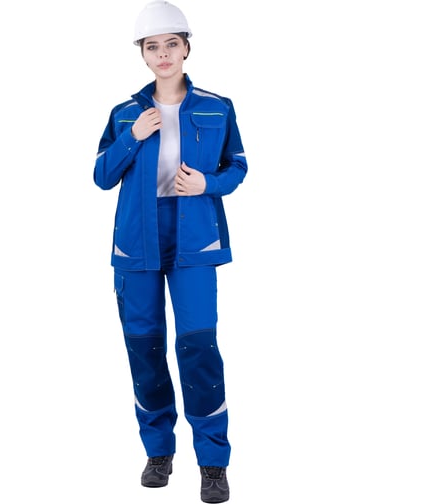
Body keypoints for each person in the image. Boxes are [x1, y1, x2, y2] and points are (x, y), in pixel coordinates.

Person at [93, 1, 247, 502]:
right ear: (143, 54)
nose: (163, 54)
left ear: (186, 49)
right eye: (152, 47)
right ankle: (158, 451)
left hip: (194, 240)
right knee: (144, 348)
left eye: (171, 45)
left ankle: (213, 462)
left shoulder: (218, 107)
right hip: (136, 243)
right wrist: (131, 138)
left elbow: (237, 167)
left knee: (199, 348)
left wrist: (207, 183)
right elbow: (101, 176)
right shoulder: (125, 114)